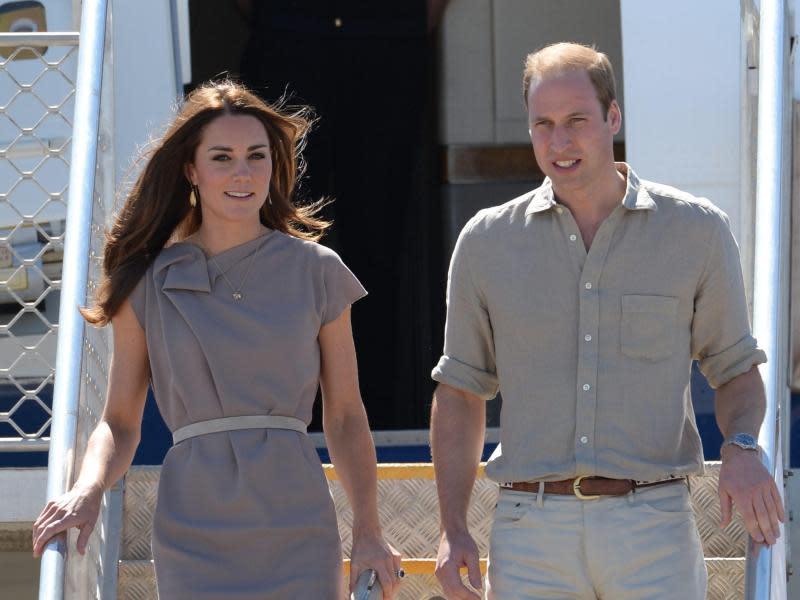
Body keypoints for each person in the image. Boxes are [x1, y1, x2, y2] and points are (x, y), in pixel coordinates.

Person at [430, 43, 784, 600]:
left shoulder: (696, 231)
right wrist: (452, 530)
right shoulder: (486, 242)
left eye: (577, 121)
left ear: (613, 116)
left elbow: (736, 370)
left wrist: (741, 445)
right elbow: (460, 392)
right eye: (542, 124)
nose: (559, 142)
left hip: (654, 527)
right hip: (530, 533)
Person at [31, 81, 402, 599]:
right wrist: (88, 489)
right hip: (192, 526)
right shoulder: (146, 282)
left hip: (297, 523)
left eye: (256, 156)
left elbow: (344, 416)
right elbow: (118, 422)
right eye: (222, 157)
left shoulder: (317, 270)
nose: (242, 173)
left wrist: (369, 531)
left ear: (273, 166)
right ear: (192, 170)